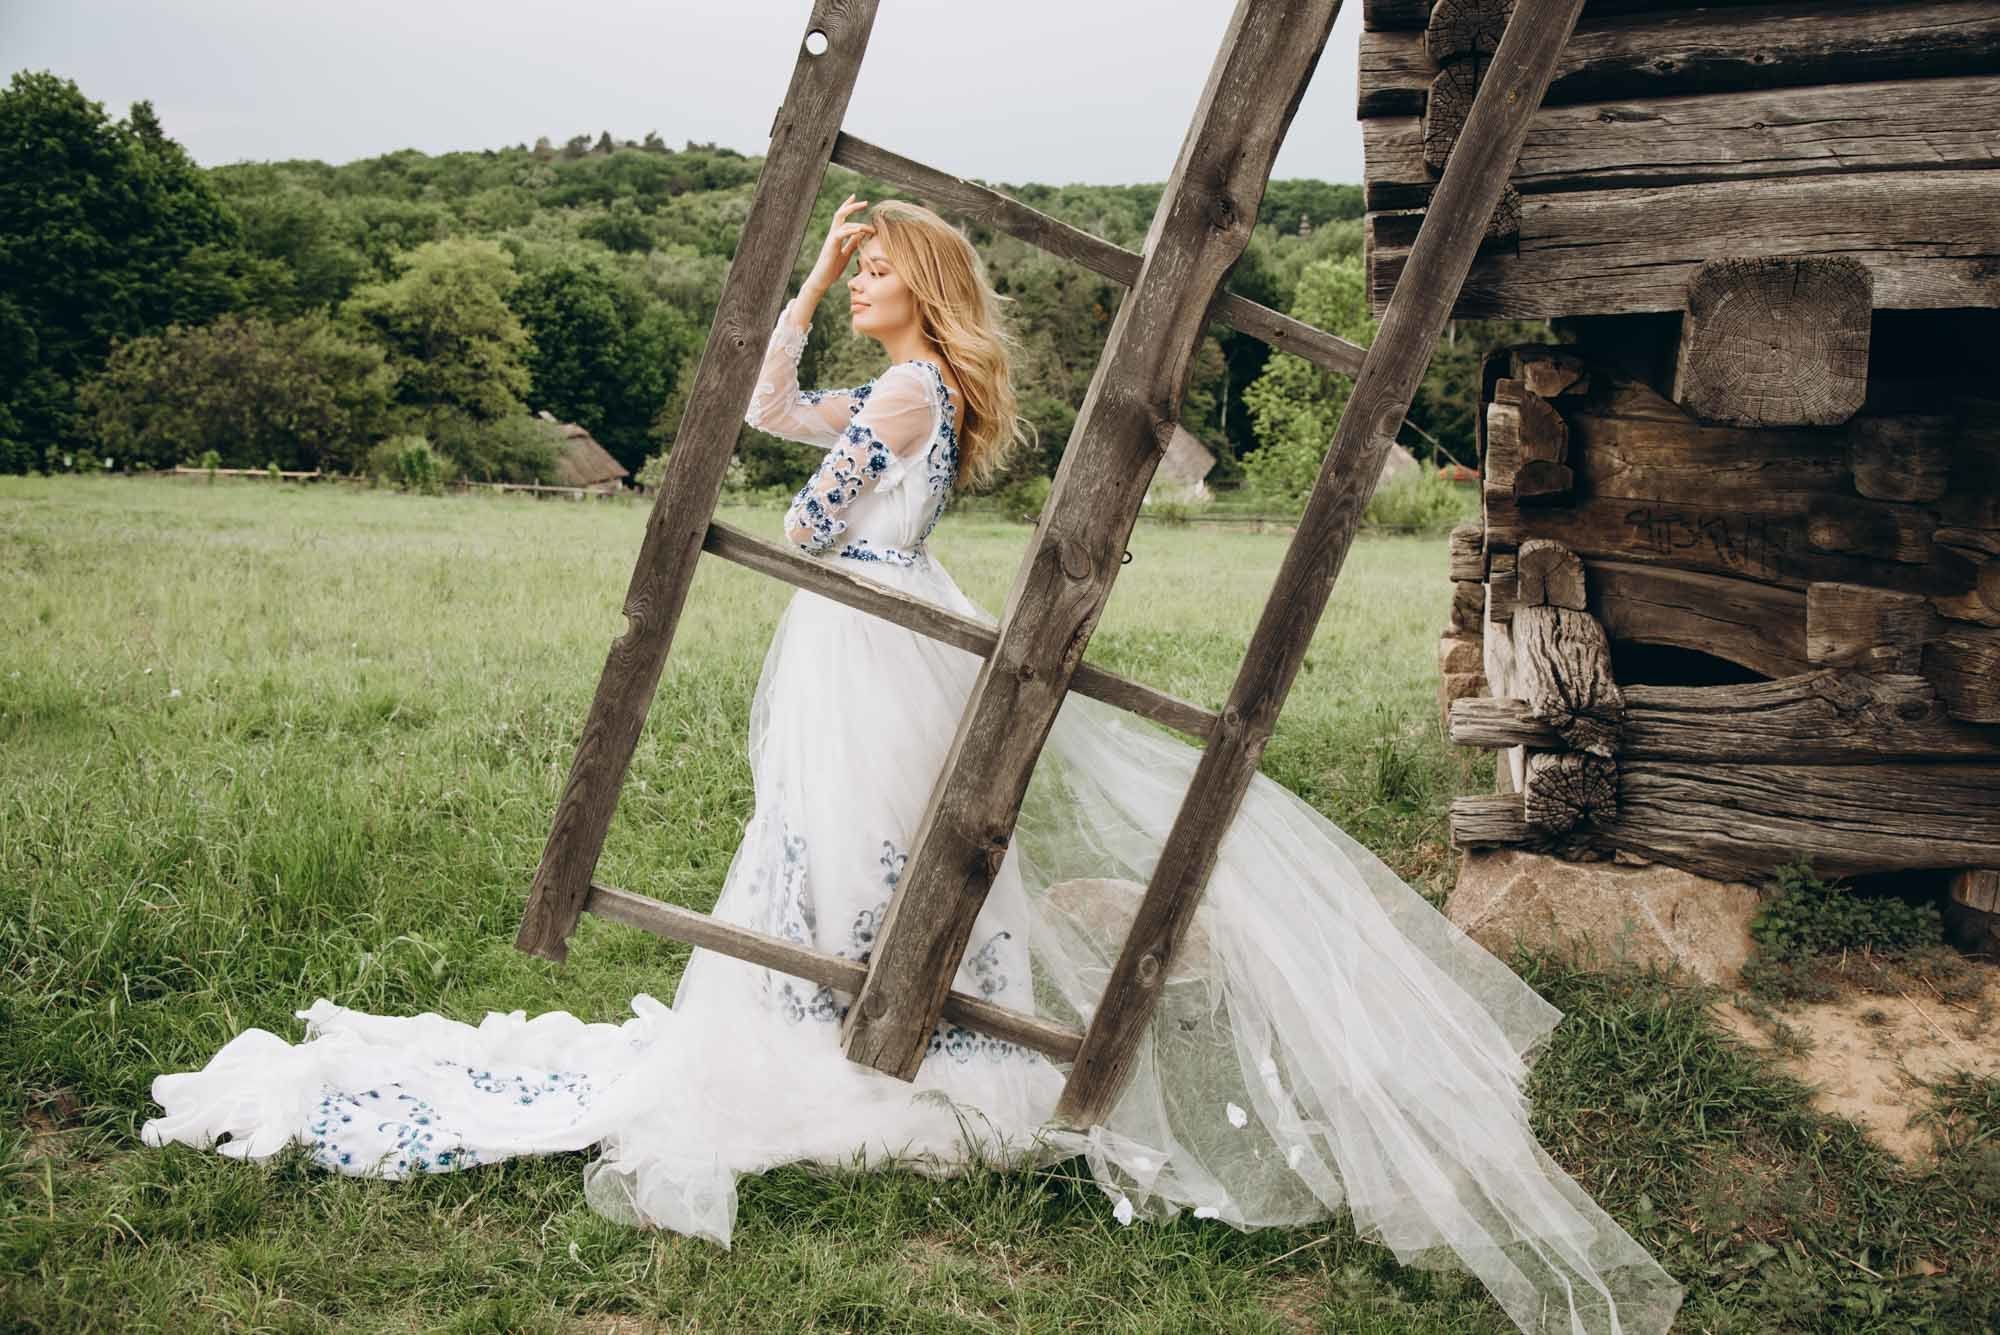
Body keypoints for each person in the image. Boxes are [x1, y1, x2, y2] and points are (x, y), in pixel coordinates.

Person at [143, 196, 1683, 1335]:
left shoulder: (903, 392)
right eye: (857, 266)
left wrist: (826, 463)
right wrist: (808, 276)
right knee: (852, 846)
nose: (862, 279)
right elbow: (762, 407)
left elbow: (812, 522)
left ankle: (883, 1034)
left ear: (924, 288)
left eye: (876, 267)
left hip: (870, 633)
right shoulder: (906, 384)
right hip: (873, 629)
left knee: (860, 840)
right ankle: (878, 1014)